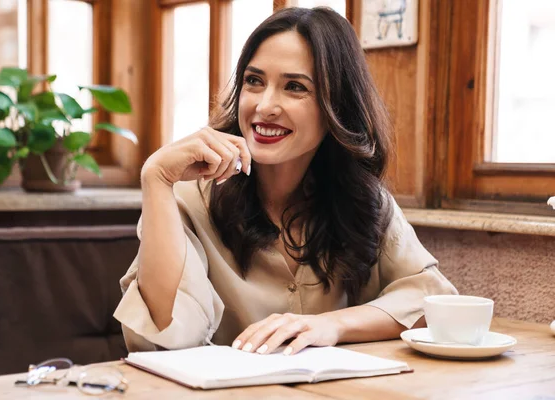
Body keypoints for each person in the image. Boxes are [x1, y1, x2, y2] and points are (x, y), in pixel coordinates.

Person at [114, 6, 457, 356]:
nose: (265, 106)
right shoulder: (190, 199)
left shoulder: (365, 200)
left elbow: (432, 300)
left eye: (294, 87)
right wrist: (155, 178)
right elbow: (159, 337)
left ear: (335, 106)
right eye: (254, 81)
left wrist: (331, 325)